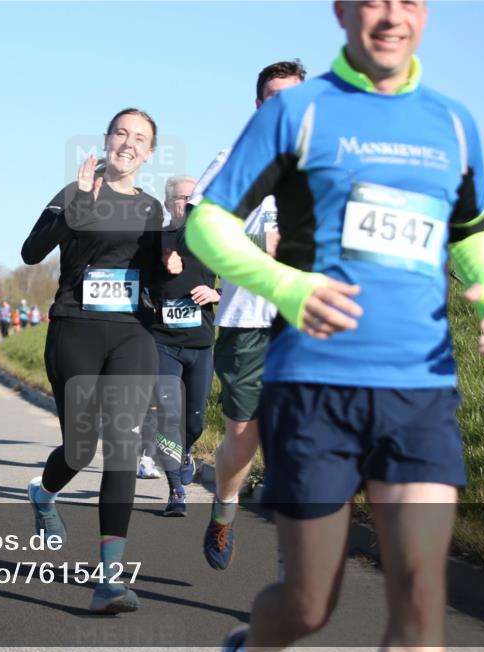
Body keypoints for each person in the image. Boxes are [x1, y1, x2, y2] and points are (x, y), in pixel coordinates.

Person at [185, 3, 484, 652]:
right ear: (341, 10)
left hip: (420, 388)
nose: (393, 16)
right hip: (314, 388)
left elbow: (472, 226)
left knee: (421, 600)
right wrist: (286, 283)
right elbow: (207, 223)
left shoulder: (453, 122)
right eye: (374, 0)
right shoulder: (296, 112)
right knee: (309, 603)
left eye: (409, 1)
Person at [21, 109, 170, 614]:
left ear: (149, 153)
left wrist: (173, 265)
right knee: (80, 450)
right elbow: (30, 251)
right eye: (121, 133)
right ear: (107, 141)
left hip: (131, 334)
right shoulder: (75, 191)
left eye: (140, 139)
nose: (128, 143)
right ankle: (43, 495)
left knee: (123, 443)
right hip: (75, 326)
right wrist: (78, 205)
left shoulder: (151, 209)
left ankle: (109, 578)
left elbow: (153, 276)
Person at [188, 58, 306, 569]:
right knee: (244, 435)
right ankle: (224, 509)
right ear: (259, 106)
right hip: (247, 321)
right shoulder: (233, 158)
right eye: (274, 98)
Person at [139, 175, 219, 516]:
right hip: (163, 342)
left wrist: (218, 294)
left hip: (201, 343)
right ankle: (176, 490)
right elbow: (136, 282)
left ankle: (186, 451)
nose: (186, 204)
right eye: (180, 198)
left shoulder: (211, 241)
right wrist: (156, 284)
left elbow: (240, 280)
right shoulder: (153, 240)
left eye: (192, 198)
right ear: (168, 202)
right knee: (168, 415)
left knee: (194, 422)